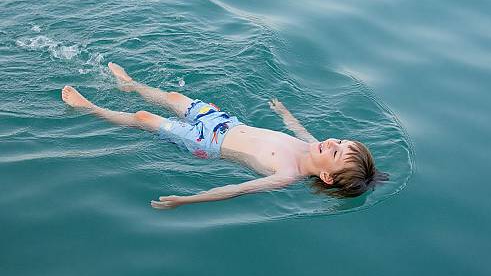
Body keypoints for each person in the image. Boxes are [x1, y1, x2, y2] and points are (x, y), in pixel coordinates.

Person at [61, 63, 386, 209]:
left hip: (207, 143)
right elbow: (300, 130)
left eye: (336, 151)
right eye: (342, 141)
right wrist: (284, 113)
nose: (333, 142)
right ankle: (129, 85)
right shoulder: (309, 144)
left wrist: (187, 200)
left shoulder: (286, 175)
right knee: (174, 97)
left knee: (143, 119)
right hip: (225, 123)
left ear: (326, 176)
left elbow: (236, 190)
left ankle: (90, 108)